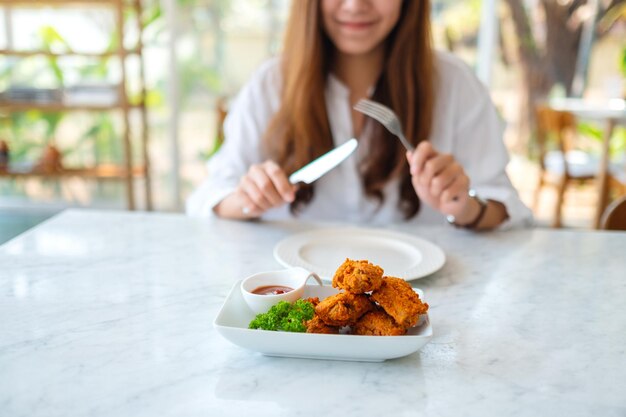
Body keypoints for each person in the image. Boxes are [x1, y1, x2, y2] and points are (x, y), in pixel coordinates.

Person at [186, 0, 533, 230]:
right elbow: (210, 195)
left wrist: (463, 205)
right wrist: (247, 197)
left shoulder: (455, 84)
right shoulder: (271, 83)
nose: (355, 5)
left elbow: (506, 207)